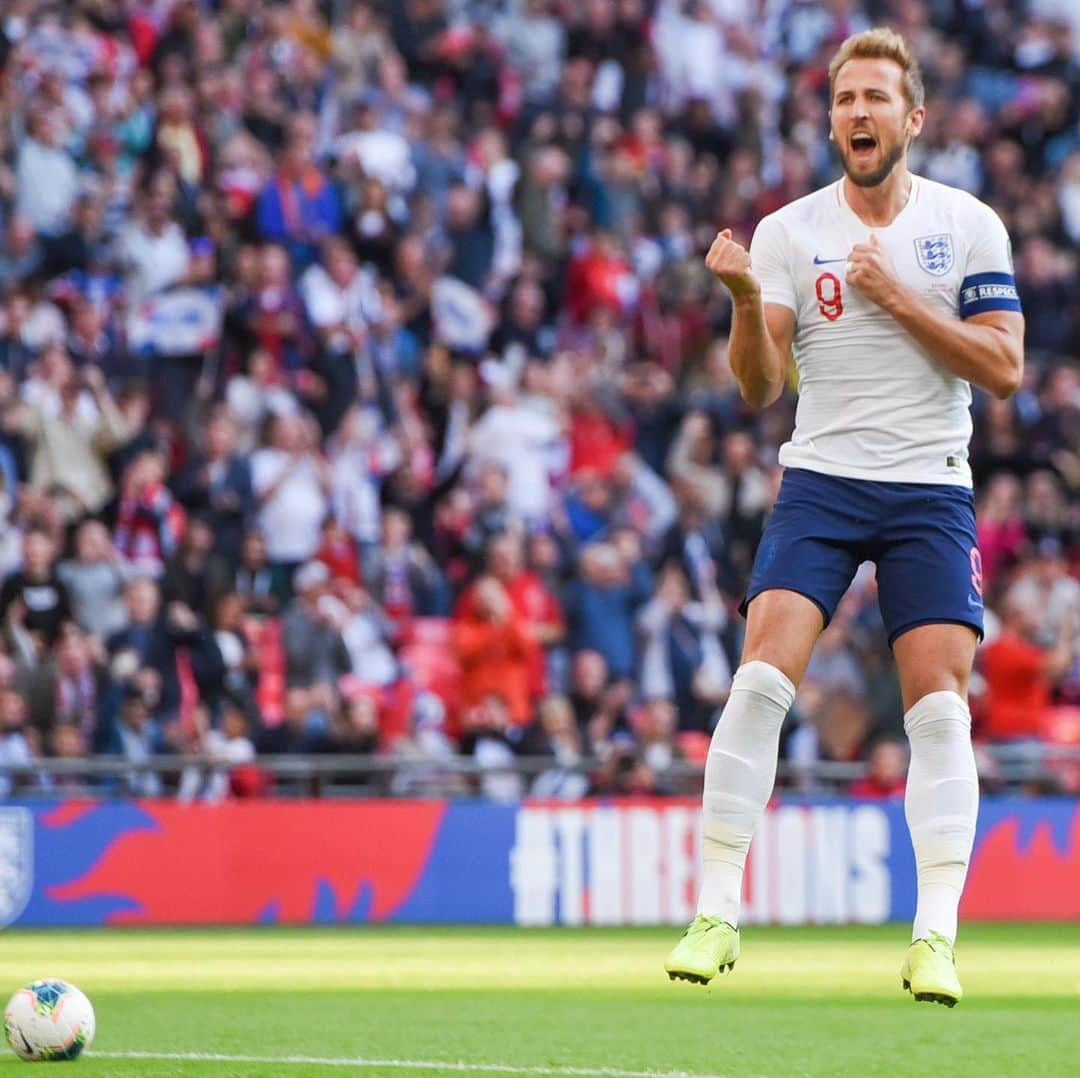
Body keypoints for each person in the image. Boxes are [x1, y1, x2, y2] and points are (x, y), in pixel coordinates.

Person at [664, 28, 1025, 1008]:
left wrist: (896, 297)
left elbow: (1002, 369)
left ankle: (936, 936)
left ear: (911, 120)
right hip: (820, 475)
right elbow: (758, 386)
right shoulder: (788, 232)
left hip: (929, 486)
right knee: (759, 677)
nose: (856, 113)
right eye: (842, 100)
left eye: (875, 98)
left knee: (940, 707)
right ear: (830, 120)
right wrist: (744, 300)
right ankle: (715, 909)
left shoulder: (969, 225)